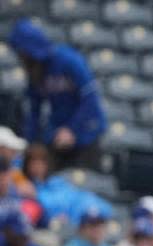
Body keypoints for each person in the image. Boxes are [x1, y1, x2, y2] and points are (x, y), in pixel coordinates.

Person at [7, 19, 106, 169]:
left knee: (86, 182)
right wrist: (31, 143)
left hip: (86, 133)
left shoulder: (67, 60)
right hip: (57, 137)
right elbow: (34, 112)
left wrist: (73, 129)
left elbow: (90, 99)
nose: (21, 57)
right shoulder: (34, 72)